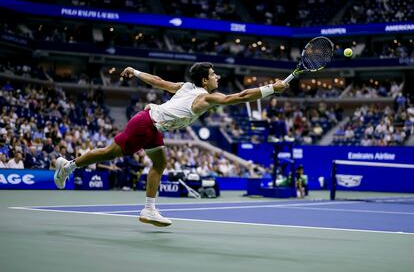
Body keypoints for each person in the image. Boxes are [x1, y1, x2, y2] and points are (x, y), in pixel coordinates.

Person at [54, 62, 288, 227]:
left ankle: (149, 209)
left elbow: (159, 82)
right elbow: (237, 97)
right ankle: (68, 166)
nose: (217, 77)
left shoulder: (187, 87)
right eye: (214, 74)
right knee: (108, 154)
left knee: (160, 162)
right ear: (205, 80)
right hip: (146, 123)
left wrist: (135, 72)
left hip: (153, 126)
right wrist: (270, 89)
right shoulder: (204, 97)